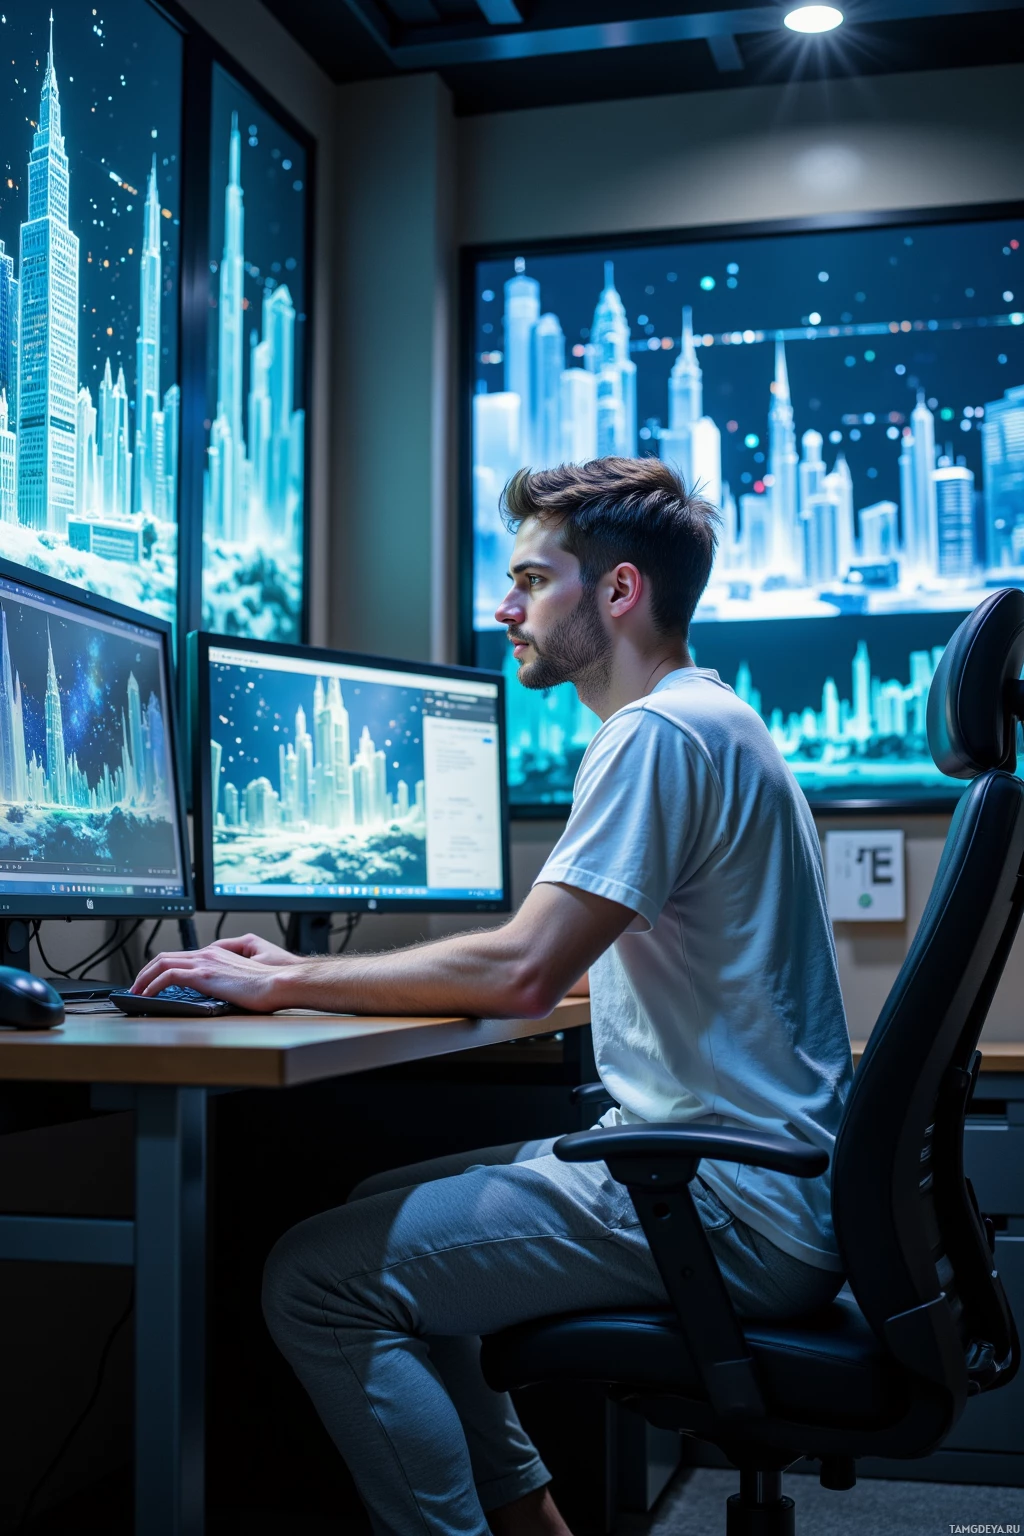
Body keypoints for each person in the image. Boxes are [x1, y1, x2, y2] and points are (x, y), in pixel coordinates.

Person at [132, 457, 853, 1536]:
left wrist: (283, 979)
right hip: (752, 1180)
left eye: (530, 579)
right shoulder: (708, 719)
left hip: (728, 1206)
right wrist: (299, 979)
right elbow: (536, 952)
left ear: (616, 592)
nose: (503, 609)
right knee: (378, 1202)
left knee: (314, 1282)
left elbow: (524, 973)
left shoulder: (656, 734)